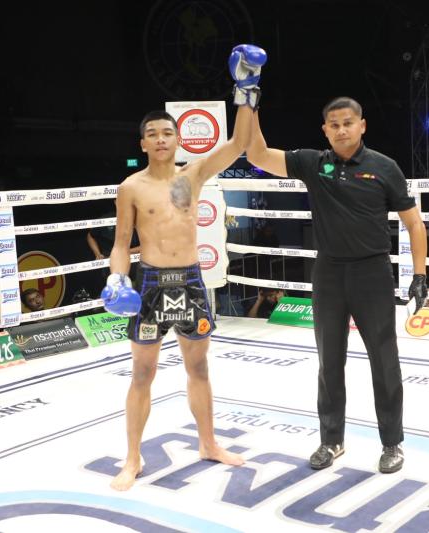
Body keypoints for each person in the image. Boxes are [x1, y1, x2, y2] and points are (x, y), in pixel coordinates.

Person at [102, 44, 266, 491]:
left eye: (166, 133)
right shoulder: (130, 187)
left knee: (199, 369)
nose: (160, 139)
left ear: (177, 140)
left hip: (191, 281)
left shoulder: (192, 176)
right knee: (142, 373)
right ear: (142, 143)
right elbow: (121, 244)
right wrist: (116, 277)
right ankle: (132, 458)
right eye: (152, 134)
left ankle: (209, 443)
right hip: (151, 284)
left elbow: (239, 144)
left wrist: (246, 91)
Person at [246, 96, 428, 474]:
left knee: (384, 360)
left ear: (362, 125)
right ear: (325, 130)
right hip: (328, 273)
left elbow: (414, 223)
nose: (342, 130)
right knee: (329, 361)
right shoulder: (314, 163)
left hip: (372, 273)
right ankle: (331, 440)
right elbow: (258, 155)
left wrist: (420, 275)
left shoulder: (384, 167)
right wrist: (251, 103)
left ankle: (392, 443)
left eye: (348, 122)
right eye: (334, 124)